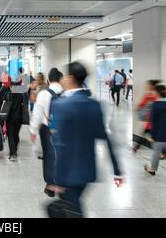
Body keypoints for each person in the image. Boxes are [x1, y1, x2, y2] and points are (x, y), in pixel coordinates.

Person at [49, 62, 123, 217]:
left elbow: (59, 144)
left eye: (65, 76)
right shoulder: (94, 105)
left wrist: (56, 178)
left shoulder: (59, 105)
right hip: (87, 171)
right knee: (74, 207)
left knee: (73, 211)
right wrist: (117, 171)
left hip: (68, 174)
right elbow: (106, 138)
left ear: (70, 78)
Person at [29, 68, 63, 197]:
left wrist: (33, 130)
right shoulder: (65, 92)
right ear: (60, 79)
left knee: (49, 156)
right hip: (63, 129)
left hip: (47, 129)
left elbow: (37, 113)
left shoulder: (44, 93)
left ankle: (50, 186)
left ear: (48, 80)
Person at [132, 80, 163, 155]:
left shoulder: (150, 95)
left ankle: (136, 148)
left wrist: (137, 107)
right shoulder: (157, 94)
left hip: (152, 120)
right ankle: (136, 147)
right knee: (148, 134)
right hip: (154, 119)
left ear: (152, 86)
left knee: (150, 135)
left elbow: (141, 104)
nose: (146, 86)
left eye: (148, 85)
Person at [0, 75, 27, 162]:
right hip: (19, 118)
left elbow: (3, 106)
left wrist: (2, 117)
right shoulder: (21, 96)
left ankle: (13, 153)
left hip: (9, 118)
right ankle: (14, 150)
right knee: (15, 135)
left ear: (11, 86)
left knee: (10, 135)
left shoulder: (7, 94)